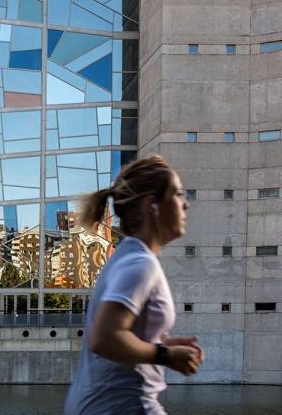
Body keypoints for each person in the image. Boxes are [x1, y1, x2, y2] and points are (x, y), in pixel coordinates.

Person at [64, 155, 204, 415]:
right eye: (177, 194)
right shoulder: (140, 264)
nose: (186, 206)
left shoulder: (126, 258)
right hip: (124, 407)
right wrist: (165, 355)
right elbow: (105, 338)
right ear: (152, 205)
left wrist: (162, 344)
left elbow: (121, 335)